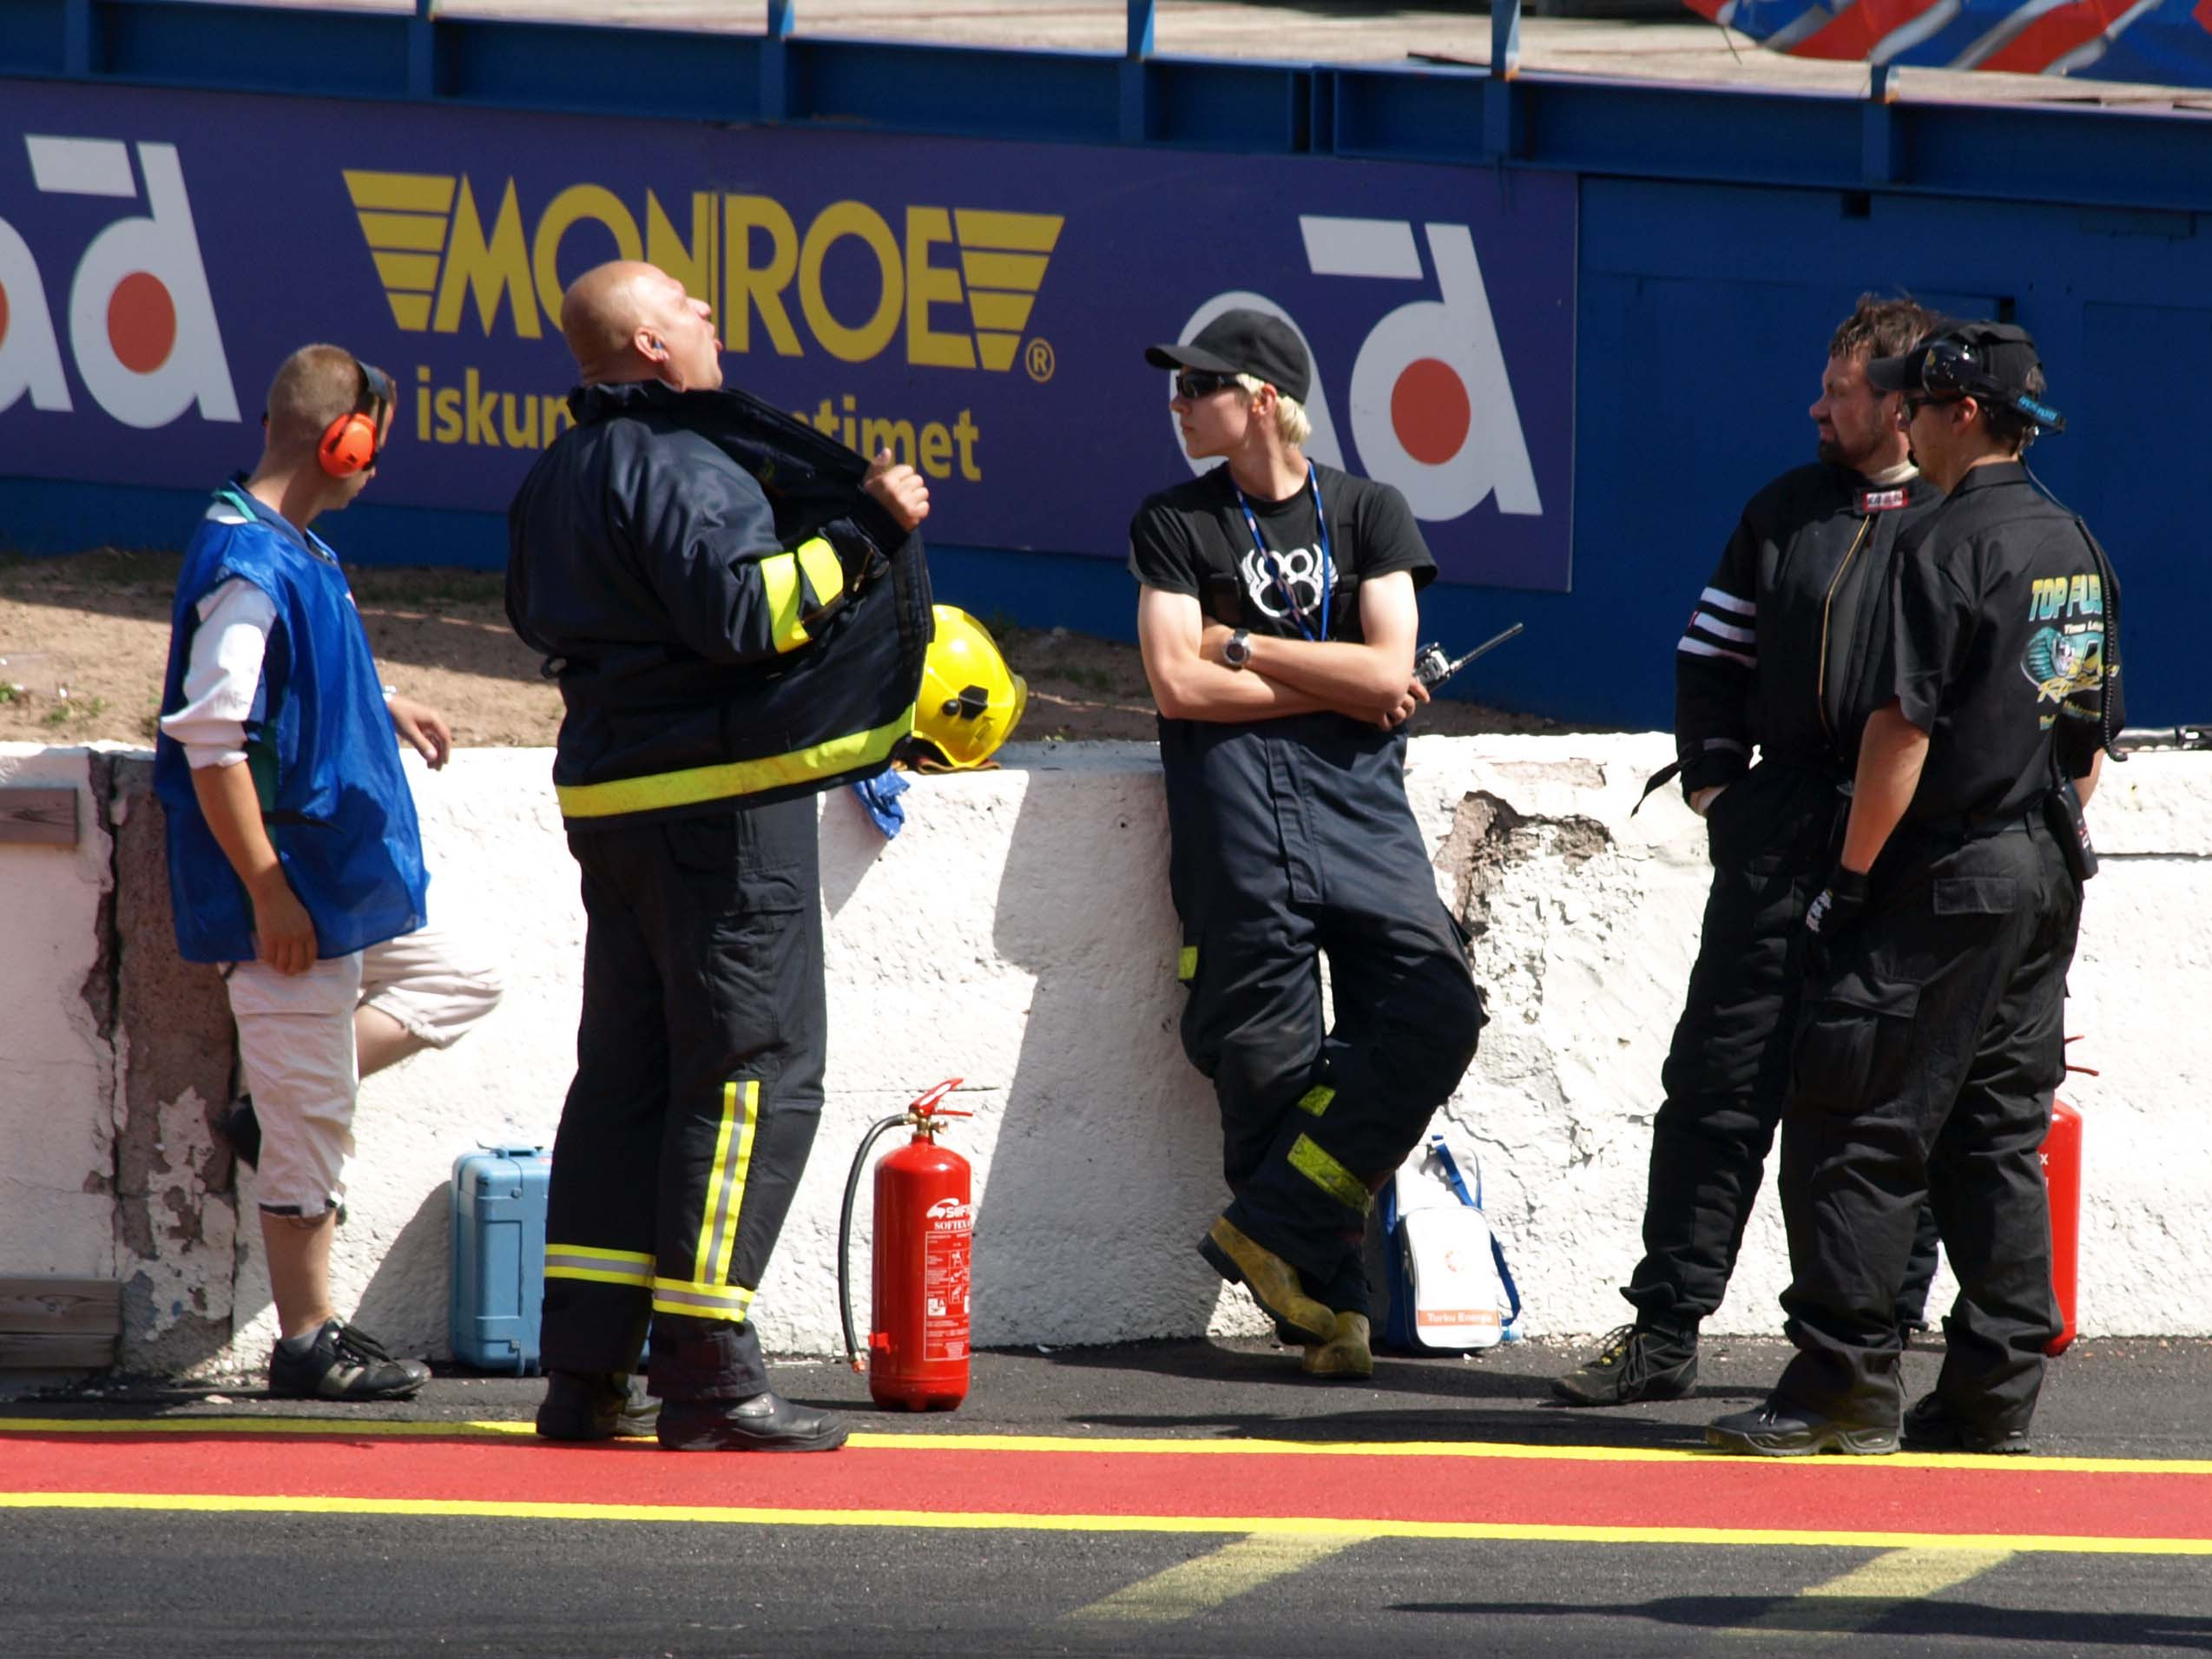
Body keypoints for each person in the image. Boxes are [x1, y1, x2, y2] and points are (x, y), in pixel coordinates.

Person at [507, 260, 932, 1452]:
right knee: (753, 1068)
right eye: (690, 306)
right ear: (648, 342)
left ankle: (587, 1374)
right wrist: (866, 527)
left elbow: (543, 619)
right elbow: (746, 612)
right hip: (723, 807)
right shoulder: (686, 463)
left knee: (627, 1080)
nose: (709, 317)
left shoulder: (558, 474)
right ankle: (710, 1373)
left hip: (613, 805)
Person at [1708, 319, 2121, 1458]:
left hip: (1940, 873)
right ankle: (1992, 1389)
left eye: (1920, 403)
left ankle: (1841, 1380)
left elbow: (1902, 728)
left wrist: (1847, 881)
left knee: (1853, 1113)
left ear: (1962, 415)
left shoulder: (1940, 547)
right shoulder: (2071, 541)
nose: (1906, 419)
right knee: (1993, 1130)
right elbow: (2085, 743)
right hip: (2040, 869)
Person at [1557, 297, 1950, 1406]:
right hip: (1776, 840)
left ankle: (1873, 1339)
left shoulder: (1964, 524)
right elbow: (1709, 657)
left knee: (1891, 1100)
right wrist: (1719, 784)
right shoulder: (1781, 510)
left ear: (1903, 403)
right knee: (1717, 1089)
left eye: (1840, 390)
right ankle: (1664, 1329)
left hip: (1912, 853)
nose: (1815, 406)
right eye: (1823, 387)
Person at [1129, 309, 1487, 1380]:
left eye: (1197, 387)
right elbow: (1173, 684)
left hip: (1359, 813)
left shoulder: (1371, 510)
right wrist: (1321, 677)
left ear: (1264, 399)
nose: (1178, 404)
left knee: (1434, 1012)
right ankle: (1326, 1311)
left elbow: (1388, 674)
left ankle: (1270, 1223)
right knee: (1266, 1063)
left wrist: (1242, 641)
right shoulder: (1171, 520)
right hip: (1234, 819)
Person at [155, 343, 503, 1401]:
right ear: (338, 439)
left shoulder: (291, 545)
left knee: (464, 977)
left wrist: (381, 701)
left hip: (336, 889)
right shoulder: (248, 567)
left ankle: (278, 1105)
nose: (374, 467)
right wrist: (268, 894)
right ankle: (307, 1341)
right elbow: (211, 744)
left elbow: (298, 671)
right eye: (372, 448)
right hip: (292, 899)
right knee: (313, 1132)